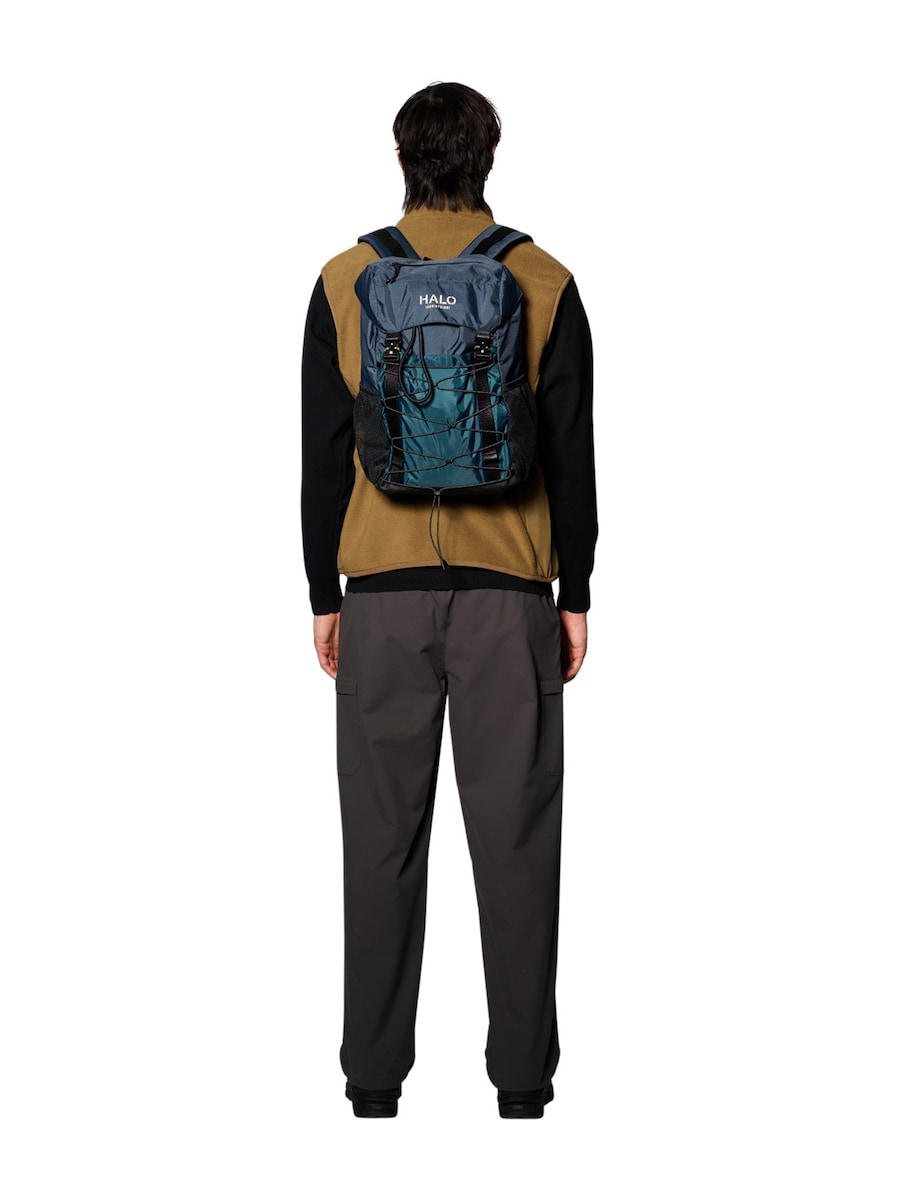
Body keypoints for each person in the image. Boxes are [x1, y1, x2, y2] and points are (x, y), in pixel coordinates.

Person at [301, 82, 597, 1119]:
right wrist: (575, 591)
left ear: (402, 159)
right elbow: (572, 454)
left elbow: (322, 455)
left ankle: (373, 1082)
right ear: (488, 159)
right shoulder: (545, 279)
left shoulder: (344, 281)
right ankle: (522, 1085)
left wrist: (324, 593)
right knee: (517, 842)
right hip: (509, 595)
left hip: (380, 597)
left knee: (381, 843)